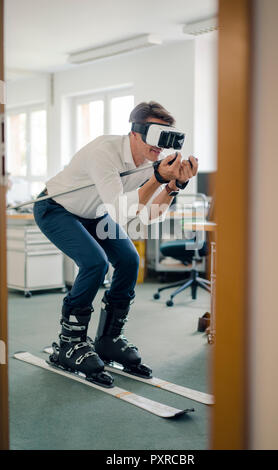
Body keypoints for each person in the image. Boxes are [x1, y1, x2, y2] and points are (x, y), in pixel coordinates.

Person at [33, 101, 198, 386]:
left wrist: (173, 186)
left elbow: (146, 218)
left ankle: (108, 339)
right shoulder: (104, 152)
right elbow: (121, 211)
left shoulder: (147, 165)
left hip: (95, 212)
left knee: (129, 259)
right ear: (135, 133)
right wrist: (158, 178)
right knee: (95, 262)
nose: (161, 147)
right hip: (56, 207)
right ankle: (68, 343)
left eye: (167, 138)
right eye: (157, 136)